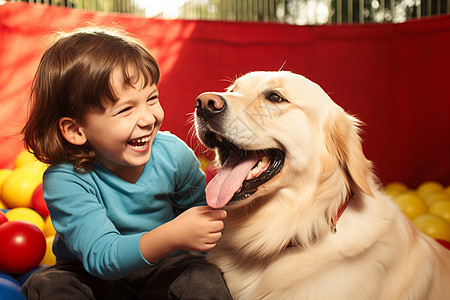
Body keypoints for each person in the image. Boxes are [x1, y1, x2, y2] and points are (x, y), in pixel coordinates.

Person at [21, 27, 231, 300]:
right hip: (94, 277)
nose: (147, 119)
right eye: (125, 109)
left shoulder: (174, 155)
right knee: (47, 283)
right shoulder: (65, 179)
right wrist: (172, 235)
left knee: (202, 276)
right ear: (76, 130)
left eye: (151, 99)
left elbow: (204, 220)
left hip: (166, 269)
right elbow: (101, 255)